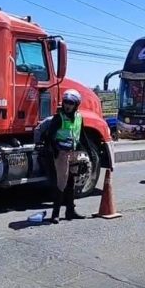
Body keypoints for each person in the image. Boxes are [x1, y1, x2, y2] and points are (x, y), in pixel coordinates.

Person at [44, 89, 89, 224]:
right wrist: (55, 151)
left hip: (73, 153)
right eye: (65, 102)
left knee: (71, 183)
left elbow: (82, 135)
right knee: (61, 183)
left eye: (71, 103)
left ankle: (70, 211)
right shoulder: (59, 118)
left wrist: (88, 152)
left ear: (76, 104)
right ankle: (55, 214)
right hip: (62, 154)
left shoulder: (79, 117)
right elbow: (49, 137)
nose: (67, 105)